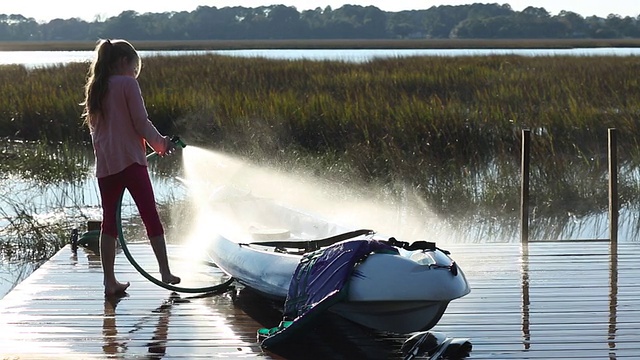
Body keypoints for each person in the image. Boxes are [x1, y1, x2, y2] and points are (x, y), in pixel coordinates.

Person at [81, 39, 180, 296]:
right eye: (134, 67)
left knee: (109, 225)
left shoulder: (96, 86)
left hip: (106, 165)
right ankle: (165, 272)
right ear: (124, 62)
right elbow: (140, 122)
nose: (135, 73)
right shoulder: (127, 84)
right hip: (131, 162)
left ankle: (109, 282)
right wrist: (161, 144)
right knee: (150, 216)